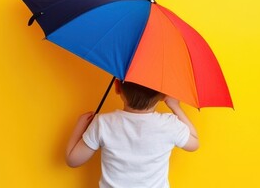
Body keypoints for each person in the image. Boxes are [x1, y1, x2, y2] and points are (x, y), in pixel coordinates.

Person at [65, 79, 199, 188]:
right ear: (164, 95)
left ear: (117, 87)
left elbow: (72, 160)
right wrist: (175, 106)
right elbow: (194, 143)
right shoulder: (170, 125)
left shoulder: (103, 123)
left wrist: (80, 124)